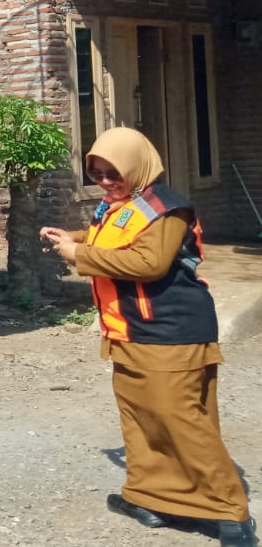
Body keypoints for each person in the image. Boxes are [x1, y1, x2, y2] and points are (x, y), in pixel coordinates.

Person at [40, 127, 254, 547]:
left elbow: (149, 263)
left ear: (137, 167)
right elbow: (114, 240)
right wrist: (75, 238)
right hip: (130, 330)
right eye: (97, 174)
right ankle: (151, 498)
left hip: (170, 331)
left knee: (181, 419)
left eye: (113, 173)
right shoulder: (121, 204)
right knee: (142, 417)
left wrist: (79, 255)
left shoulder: (166, 209)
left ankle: (229, 511)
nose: (105, 182)